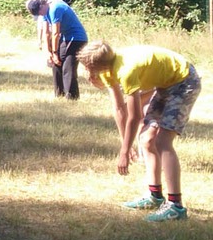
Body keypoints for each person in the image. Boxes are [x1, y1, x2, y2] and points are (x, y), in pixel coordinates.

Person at [76, 40, 202, 222]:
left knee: (163, 142)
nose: (85, 72)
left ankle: (176, 206)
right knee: (146, 140)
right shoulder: (107, 70)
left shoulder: (125, 71)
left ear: (96, 66)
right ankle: (155, 196)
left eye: (86, 67)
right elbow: (120, 109)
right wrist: (125, 144)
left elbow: (134, 116)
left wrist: (124, 152)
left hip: (184, 82)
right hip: (165, 84)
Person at [26, 0, 89, 99]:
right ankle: (59, 95)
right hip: (65, 38)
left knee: (67, 67)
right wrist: (49, 52)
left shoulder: (55, 8)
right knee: (56, 64)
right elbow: (46, 34)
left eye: (39, 12)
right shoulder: (45, 12)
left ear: (42, 5)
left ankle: (71, 97)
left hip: (77, 38)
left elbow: (55, 33)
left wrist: (55, 53)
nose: (40, 15)